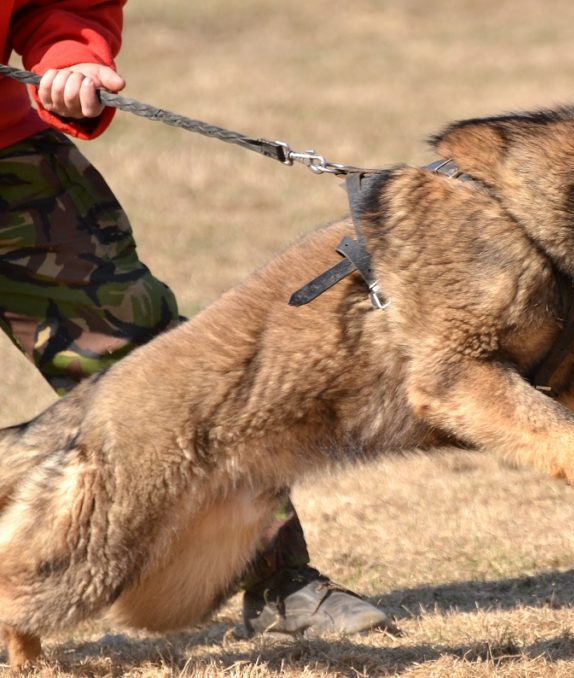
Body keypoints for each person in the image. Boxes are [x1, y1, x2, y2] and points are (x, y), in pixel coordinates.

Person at [0, 0, 387, 636]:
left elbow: (63, 6)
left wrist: (70, 57)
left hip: (14, 169)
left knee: (168, 378)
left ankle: (277, 578)